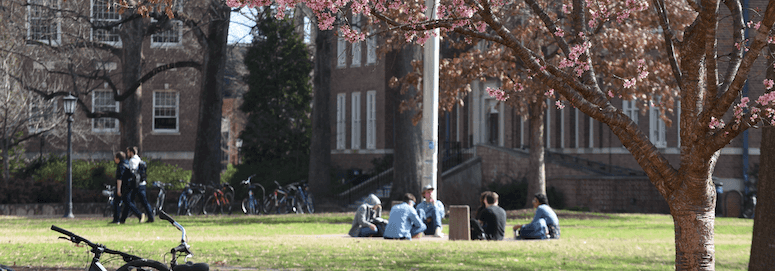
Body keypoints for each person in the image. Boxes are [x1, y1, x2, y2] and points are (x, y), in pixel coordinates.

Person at [112, 151, 143, 224]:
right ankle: (121, 219)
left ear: (118, 158)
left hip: (123, 187)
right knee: (127, 203)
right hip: (129, 186)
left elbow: (119, 178)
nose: (114, 159)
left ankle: (117, 219)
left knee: (118, 202)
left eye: (115, 158)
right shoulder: (127, 163)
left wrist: (118, 190)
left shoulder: (121, 165)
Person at [127, 147, 152, 223]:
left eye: (128, 152)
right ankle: (150, 217)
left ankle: (140, 215)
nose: (127, 154)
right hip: (142, 183)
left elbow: (133, 172)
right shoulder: (139, 159)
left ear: (131, 152)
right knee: (144, 202)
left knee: (129, 201)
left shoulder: (132, 161)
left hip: (136, 185)